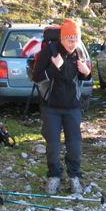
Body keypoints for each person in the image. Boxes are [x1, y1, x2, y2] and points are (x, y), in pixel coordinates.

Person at [33, 18, 92, 195]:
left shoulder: (79, 51)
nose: (73, 44)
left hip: (73, 106)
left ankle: (74, 177)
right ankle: (54, 176)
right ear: (62, 38)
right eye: (70, 40)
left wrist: (87, 73)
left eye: (76, 40)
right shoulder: (49, 51)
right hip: (51, 106)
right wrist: (53, 68)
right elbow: (36, 77)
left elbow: (85, 78)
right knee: (53, 144)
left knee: (74, 144)